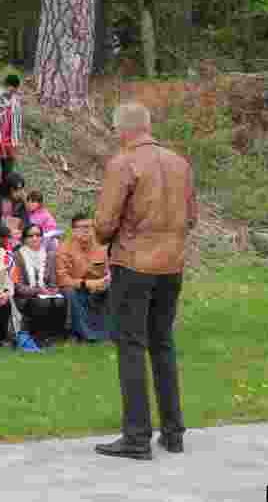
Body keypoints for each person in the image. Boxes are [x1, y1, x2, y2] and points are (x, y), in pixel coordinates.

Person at [93, 102, 197, 460]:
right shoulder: (180, 163)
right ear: (148, 126)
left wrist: (112, 237)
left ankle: (137, 437)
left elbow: (104, 224)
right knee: (163, 343)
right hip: (172, 264)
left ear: (122, 131)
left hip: (135, 264)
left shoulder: (123, 163)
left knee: (131, 346)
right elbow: (192, 217)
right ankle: (173, 432)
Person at [56, 212, 111, 344]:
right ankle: (89, 335)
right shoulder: (64, 249)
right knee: (71, 293)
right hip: (76, 286)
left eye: (90, 227)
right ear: (74, 231)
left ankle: (111, 333)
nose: (87, 230)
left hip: (100, 285)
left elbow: (111, 269)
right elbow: (63, 278)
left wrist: (105, 281)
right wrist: (86, 284)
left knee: (116, 289)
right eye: (83, 227)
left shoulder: (102, 246)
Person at [12, 223, 64, 348]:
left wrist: (53, 290)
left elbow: (53, 281)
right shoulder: (17, 256)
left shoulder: (49, 255)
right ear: (24, 238)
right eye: (31, 235)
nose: (35, 238)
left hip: (45, 293)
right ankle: (39, 337)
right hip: (24, 296)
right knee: (42, 302)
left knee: (60, 301)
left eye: (38, 235)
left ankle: (51, 336)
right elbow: (18, 286)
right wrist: (37, 291)